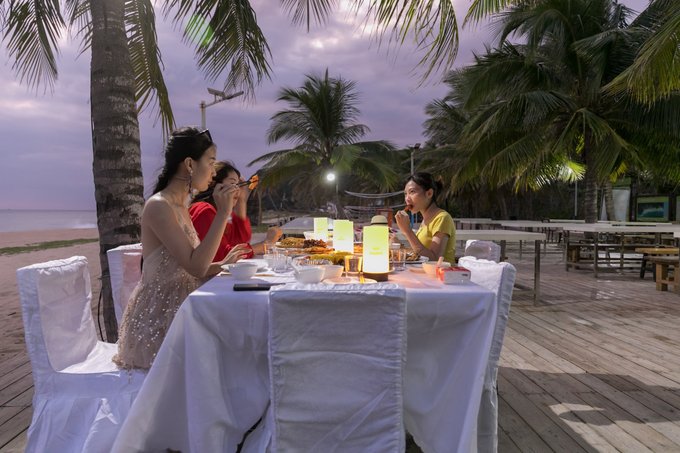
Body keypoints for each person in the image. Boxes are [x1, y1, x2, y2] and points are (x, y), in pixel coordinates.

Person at [114, 127, 249, 370]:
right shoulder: (159, 206)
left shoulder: (181, 205)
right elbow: (195, 267)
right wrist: (223, 213)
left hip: (186, 308)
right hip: (160, 321)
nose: (213, 172)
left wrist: (223, 264)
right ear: (189, 164)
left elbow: (188, 266)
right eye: (210, 162)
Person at [190, 161, 282, 259]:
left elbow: (240, 241)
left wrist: (241, 201)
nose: (238, 189)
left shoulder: (217, 212)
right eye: (233, 183)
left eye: (239, 185)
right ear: (214, 184)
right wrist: (267, 243)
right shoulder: (203, 210)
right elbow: (225, 255)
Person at [394, 172, 456, 263]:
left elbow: (434, 259)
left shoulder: (442, 218)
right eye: (405, 194)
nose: (407, 198)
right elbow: (419, 253)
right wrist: (398, 245)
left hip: (442, 272)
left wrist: (408, 231)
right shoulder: (425, 221)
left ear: (429, 193)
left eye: (412, 192)